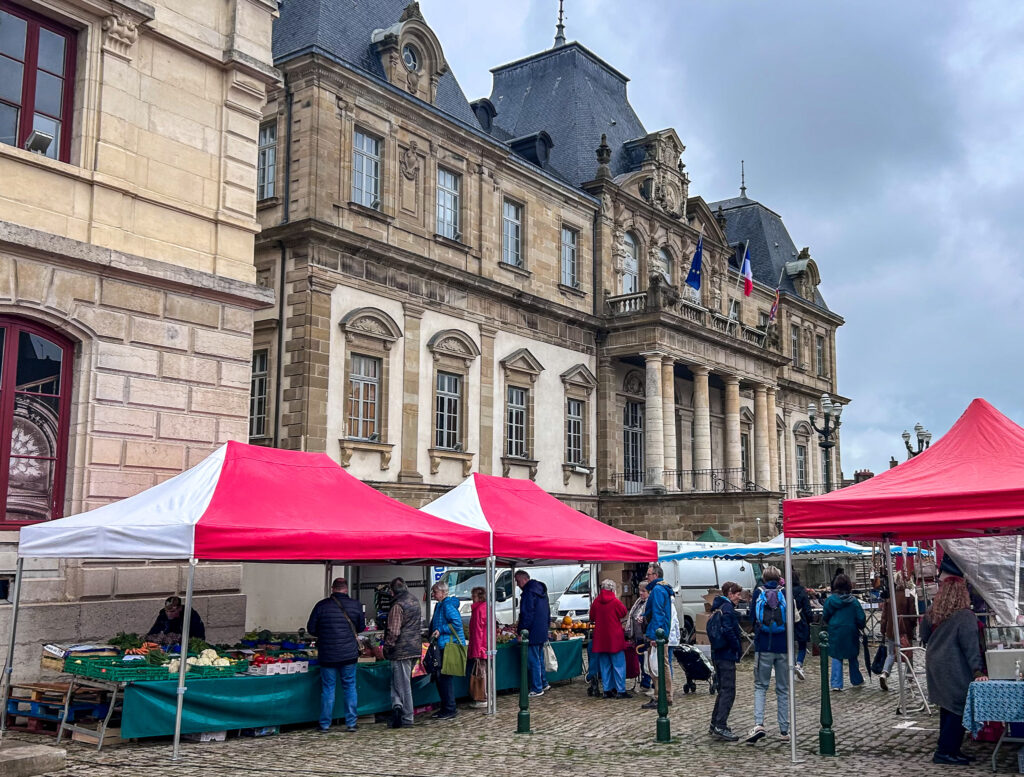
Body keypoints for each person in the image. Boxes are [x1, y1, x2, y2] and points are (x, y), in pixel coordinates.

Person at [920, 576, 986, 765]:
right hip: (954, 664)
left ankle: (951, 749)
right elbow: (970, 646)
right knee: (958, 706)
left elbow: (923, 636)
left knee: (948, 707)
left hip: (935, 663)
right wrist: (977, 671)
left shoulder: (932, 613)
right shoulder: (965, 616)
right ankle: (945, 752)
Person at [306, 577, 365, 733]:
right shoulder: (356, 605)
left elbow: (311, 629)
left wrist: (325, 633)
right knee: (350, 687)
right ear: (346, 589)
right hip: (349, 654)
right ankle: (351, 723)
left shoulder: (321, 606)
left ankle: (325, 724)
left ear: (333, 588)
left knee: (328, 688)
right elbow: (361, 627)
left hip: (328, 654)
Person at [746, 565, 789, 744]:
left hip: (764, 645)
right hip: (783, 646)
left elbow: (751, 618)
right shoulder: (784, 593)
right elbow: (793, 618)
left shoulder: (758, 592)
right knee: (783, 689)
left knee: (760, 686)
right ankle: (784, 730)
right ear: (779, 577)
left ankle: (759, 723)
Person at [381, 577, 422, 729]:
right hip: (414, 647)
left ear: (392, 592)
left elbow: (393, 630)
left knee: (403, 684)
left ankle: (407, 717)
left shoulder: (398, 605)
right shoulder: (414, 600)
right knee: (399, 681)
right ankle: (397, 708)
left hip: (401, 649)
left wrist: (387, 647)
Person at [708, 581, 743, 742]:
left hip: (717, 652)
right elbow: (729, 631)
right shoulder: (727, 610)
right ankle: (720, 724)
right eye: (737, 594)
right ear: (730, 594)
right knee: (729, 690)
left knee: (723, 689)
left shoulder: (718, 607)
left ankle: (715, 722)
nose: (739, 597)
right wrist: (737, 647)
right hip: (726, 654)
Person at [823, 573, 866, 691]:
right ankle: (856, 680)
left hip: (835, 630)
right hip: (850, 631)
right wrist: (860, 625)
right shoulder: (854, 602)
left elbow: (825, 615)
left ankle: (836, 683)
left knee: (837, 656)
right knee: (852, 656)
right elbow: (861, 618)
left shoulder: (830, 601)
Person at [589, 579, 631, 699]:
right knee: (619, 665)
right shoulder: (615, 601)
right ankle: (620, 690)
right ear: (612, 589)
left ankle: (607, 690)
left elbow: (592, 616)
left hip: (600, 637)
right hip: (614, 637)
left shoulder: (596, 602)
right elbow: (623, 613)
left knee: (605, 665)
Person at [429, 580, 465, 720]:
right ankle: (446, 707)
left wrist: (440, 630)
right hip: (442, 644)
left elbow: (457, 623)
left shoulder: (447, 606)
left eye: (435, 592)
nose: (433, 594)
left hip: (448, 645)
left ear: (443, 592)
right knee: (441, 677)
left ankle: (449, 708)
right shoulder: (440, 605)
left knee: (444, 678)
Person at [641, 564, 675, 709]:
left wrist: (656, 636)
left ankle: (661, 696)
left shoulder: (657, 590)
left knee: (657, 666)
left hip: (658, 634)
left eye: (648, 575)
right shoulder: (662, 589)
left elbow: (658, 614)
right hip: (661, 632)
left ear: (655, 575)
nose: (647, 577)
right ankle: (664, 695)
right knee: (661, 665)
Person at [879, 571, 917, 691]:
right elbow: (912, 616)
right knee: (908, 655)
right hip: (905, 630)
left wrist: (883, 629)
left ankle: (884, 673)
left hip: (891, 630)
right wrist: (914, 626)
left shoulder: (890, 598)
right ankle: (910, 678)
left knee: (891, 654)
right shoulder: (909, 597)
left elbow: (884, 616)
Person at [515, 570, 551, 697]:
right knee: (539, 658)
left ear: (524, 579)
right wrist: (547, 627)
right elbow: (548, 610)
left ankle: (537, 688)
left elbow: (527, 614)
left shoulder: (528, 593)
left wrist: (522, 631)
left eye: (518, 581)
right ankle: (543, 683)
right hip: (541, 630)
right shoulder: (541, 591)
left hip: (532, 631)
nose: (517, 584)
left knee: (533, 660)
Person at [626, 582, 652, 691]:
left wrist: (643, 619)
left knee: (647, 661)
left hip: (645, 636)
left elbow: (649, 618)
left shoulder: (649, 603)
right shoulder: (638, 602)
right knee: (641, 660)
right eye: (640, 591)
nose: (641, 593)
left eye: (643, 591)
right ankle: (644, 682)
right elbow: (632, 616)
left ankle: (648, 682)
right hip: (637, 636)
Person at [467, 586, 489, 709]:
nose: (472, 598)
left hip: (480, 645)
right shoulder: (486, 608)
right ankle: (485, 695)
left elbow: (477, 632)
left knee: (481, 672)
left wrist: (475, 650)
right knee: (484, 670)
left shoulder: (478, 610)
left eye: (473, 596)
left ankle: (482, 696)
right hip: (485, 644)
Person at [791, 572, 814, 681]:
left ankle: (793, 664)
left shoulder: (785, 591)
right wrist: (810, 620)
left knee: (790, 645)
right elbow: (807, 608)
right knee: (802, 645)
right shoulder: (802, 591)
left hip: (788, 621)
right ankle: (799, 664)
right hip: (801, 620)